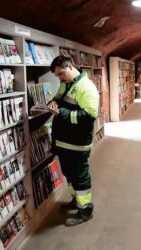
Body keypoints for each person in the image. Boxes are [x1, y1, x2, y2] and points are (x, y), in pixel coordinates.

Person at [48, 56, 99, 226]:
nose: (60, 78)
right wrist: (52, 103)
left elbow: (89, 116)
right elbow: (59, 99)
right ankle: (76, 200)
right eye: (58, 76)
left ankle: (86, 210)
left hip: (77, 143)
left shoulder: (87, 87)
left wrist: (62, 113)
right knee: (69, 174)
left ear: (70, 66)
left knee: (80, 176)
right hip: (63, 142)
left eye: (61, 74)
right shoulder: (66, 84)